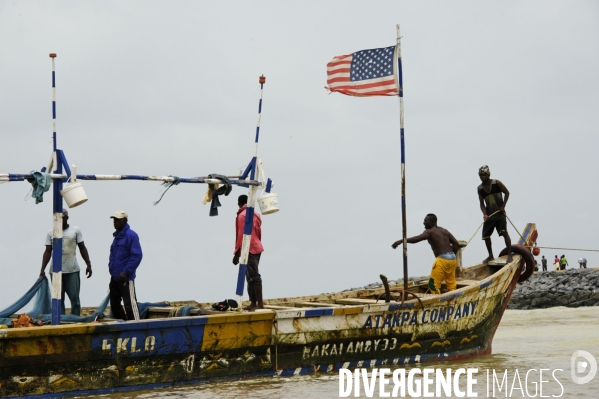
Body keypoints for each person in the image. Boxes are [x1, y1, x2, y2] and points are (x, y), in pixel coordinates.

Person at [39, 208, 92, 316]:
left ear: (67, 218)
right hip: (56, 271)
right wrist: (42, 269)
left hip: (72, 270)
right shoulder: (51, 233)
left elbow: (82, 248)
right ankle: (61, 320)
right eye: (56, 219)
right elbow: (48, 251)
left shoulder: (75, 230)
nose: (59, 221)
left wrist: (88, 264)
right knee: (58, 299)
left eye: (62, 218)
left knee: (75, 299)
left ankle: (76, 319)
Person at [392, 214, 460, 295]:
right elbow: (456, 243)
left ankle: (437, 300)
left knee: (432, 285)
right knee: (451, 282)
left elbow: (417, 238)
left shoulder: (429, 231)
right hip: (452, 258)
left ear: (432, 222)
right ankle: (453, 297)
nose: (423, 223)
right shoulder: (444, 230)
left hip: (442, 260)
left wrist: (401, 241)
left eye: (426, 221)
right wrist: (453, 256)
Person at [108, 211, 142, 320]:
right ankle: (122, 325)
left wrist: (126, 271)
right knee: (114, 303)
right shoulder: (117, 237)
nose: (115, 222)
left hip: (126, 278)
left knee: (130, 304)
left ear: (125, 220)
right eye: (114, 220)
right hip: (115, 277)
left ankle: (137, 326)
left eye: (118, 220)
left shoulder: (131, 235)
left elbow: (137, 255)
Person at [232, 195, 265, 311]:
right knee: (251, 275)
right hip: (256, 247)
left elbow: (241, 235)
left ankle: (258, 303)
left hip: (249, 248)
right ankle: (254, 303)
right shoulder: (255, 214)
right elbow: (258, 231)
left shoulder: (242, 216)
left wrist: (237, 253)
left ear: (239, 203)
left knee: (253, 276)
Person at [477, 165, 513, 264]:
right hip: (490, 216)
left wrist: (503, 206)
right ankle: (490, 256)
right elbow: (481, 204)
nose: (482, 177)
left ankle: (510, 255)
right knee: (485, 235)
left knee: (504, 232)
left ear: (488, 175)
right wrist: (484, 214)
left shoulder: (496, 183)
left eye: (484, 175)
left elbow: (507, 193)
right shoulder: (480, 188)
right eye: (481, 175)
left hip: (500, 214)